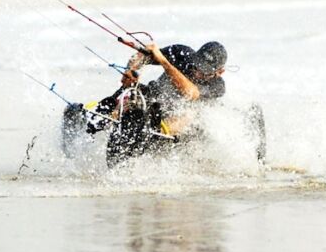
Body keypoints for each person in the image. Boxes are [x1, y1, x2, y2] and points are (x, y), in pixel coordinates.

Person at [62, 41, 228, 163]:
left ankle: (153, 136)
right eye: (196, 65)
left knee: (190, 114)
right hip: (152, 98)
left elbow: (190, 93)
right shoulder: (182, 53)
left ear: (220, 72)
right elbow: (142, 57)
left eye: (204, 71)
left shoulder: (217, 87)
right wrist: (132, 71)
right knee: (137, 93)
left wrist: (164, 62)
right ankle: (100, 120)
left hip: (177, 126)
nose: (197, 72)